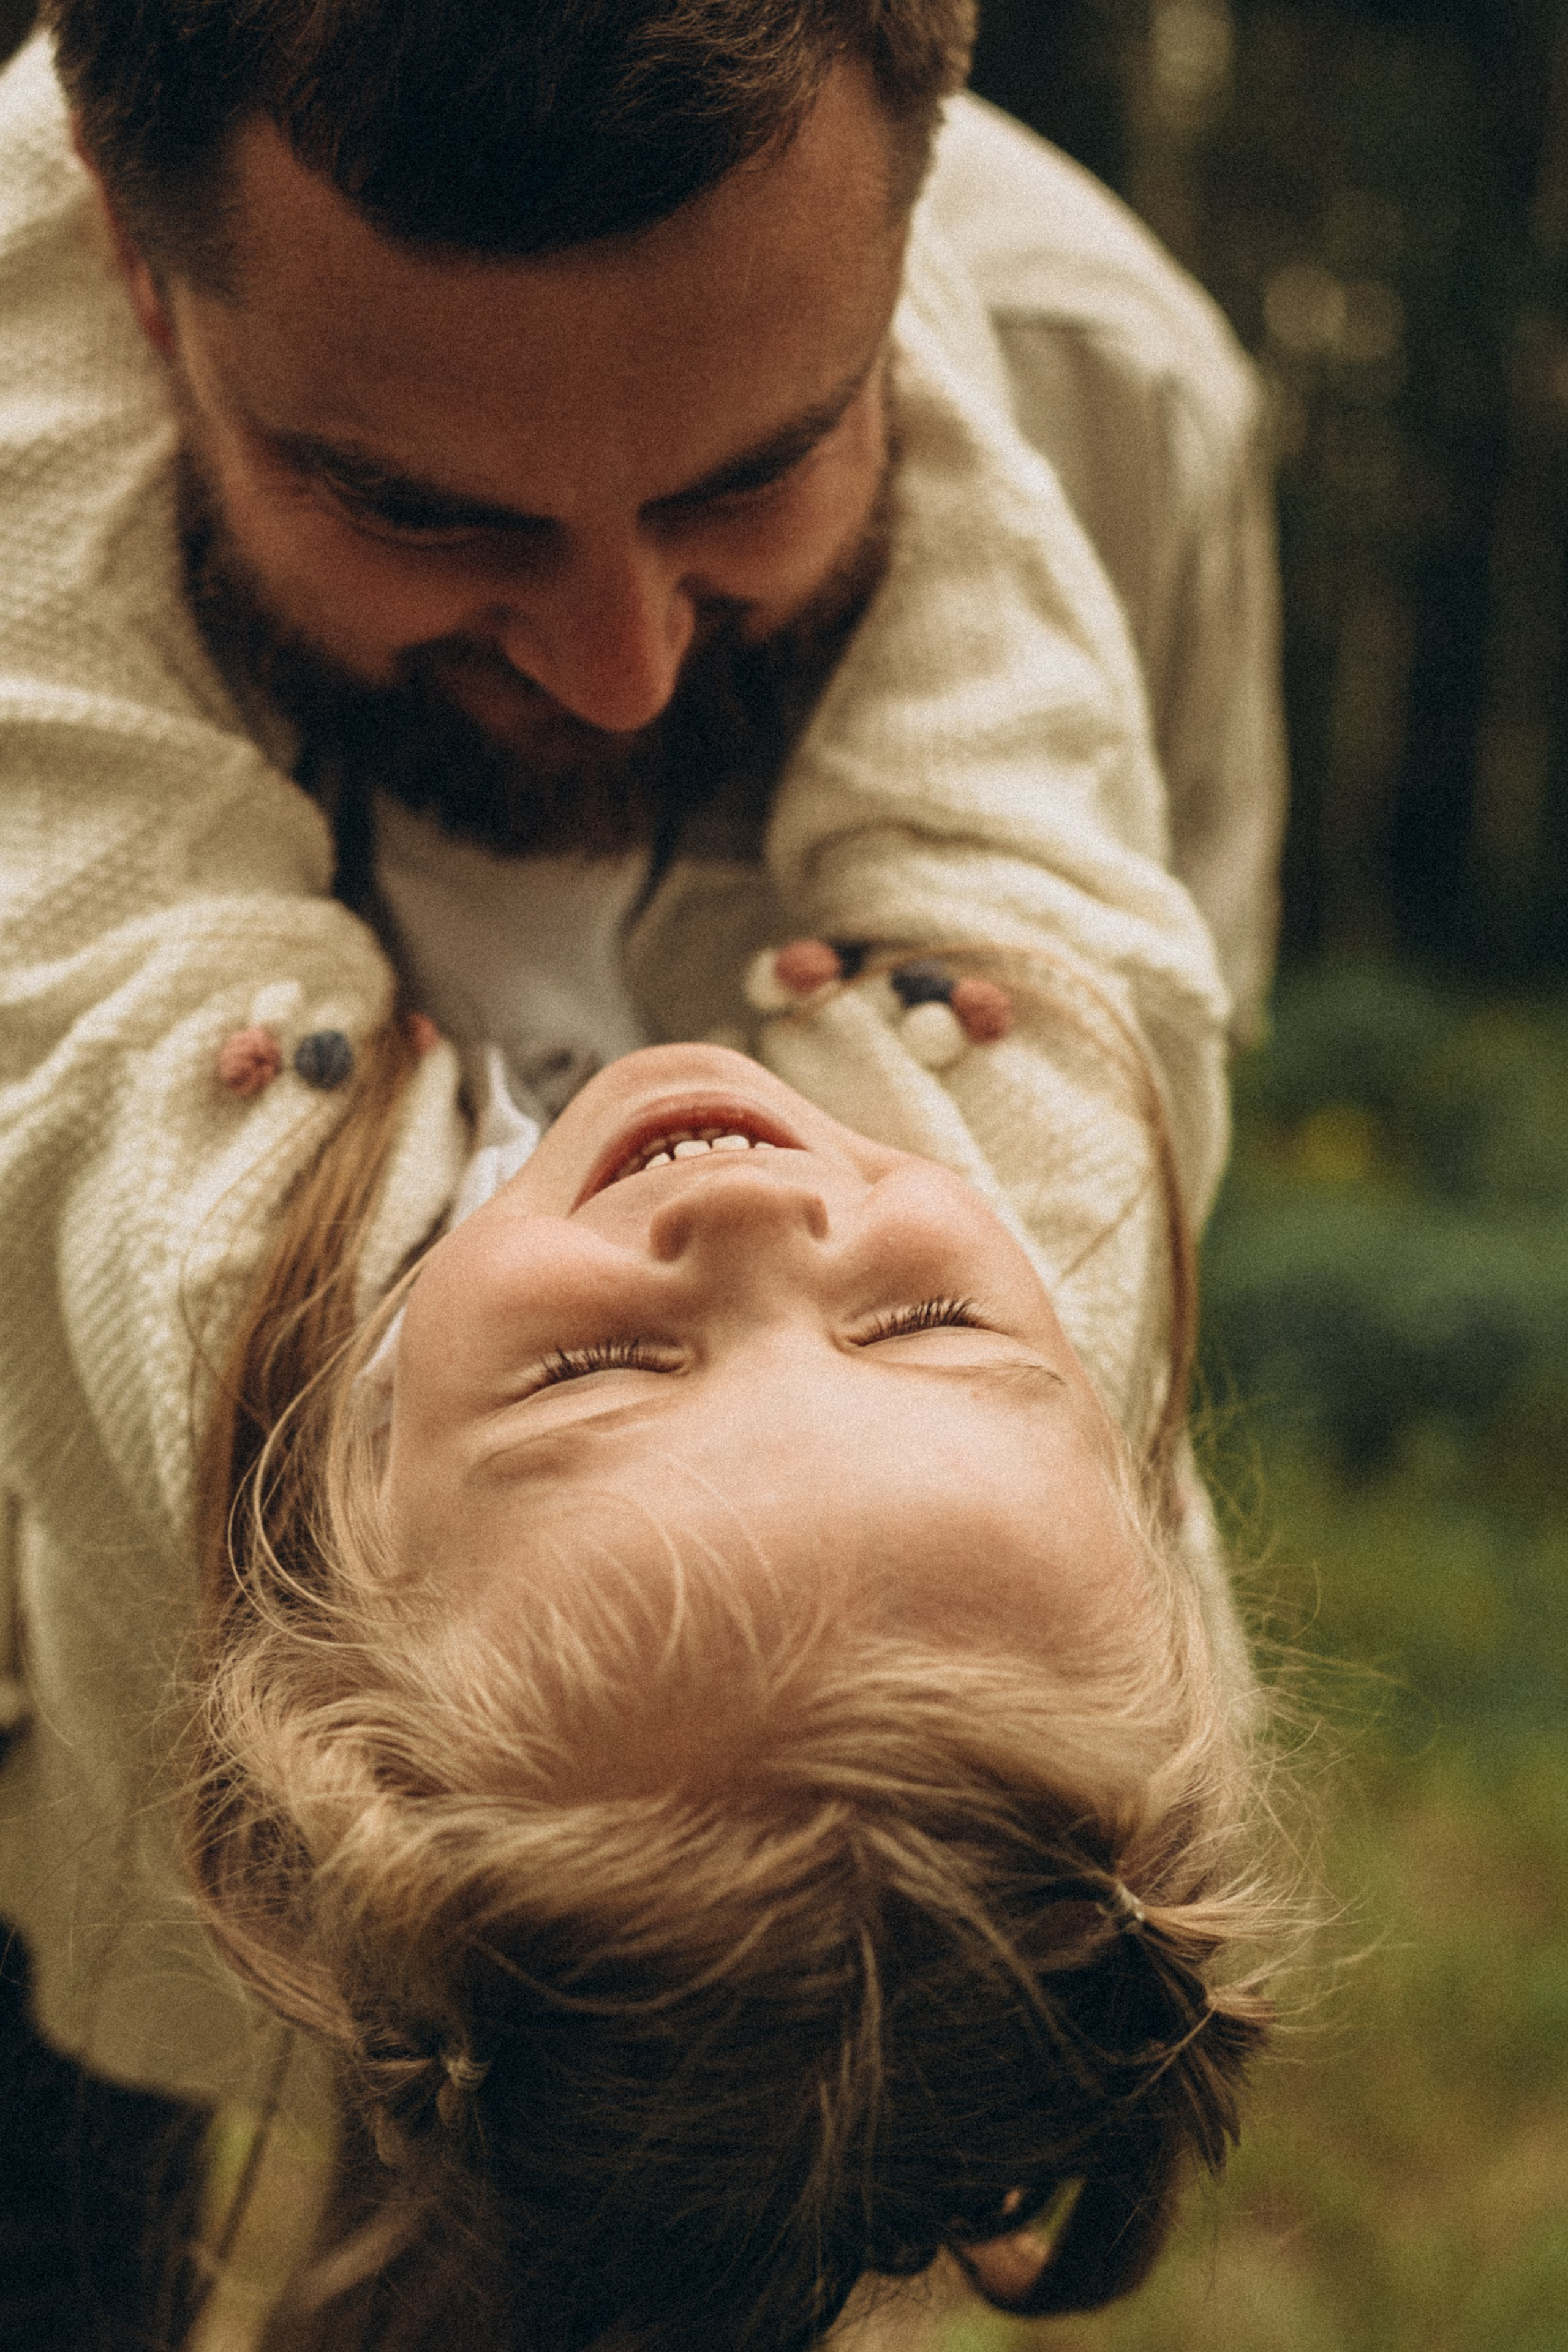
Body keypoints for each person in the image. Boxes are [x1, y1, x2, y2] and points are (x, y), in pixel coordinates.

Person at [0, 0, 1293, 2344]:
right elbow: (1045, 875)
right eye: (418, 502)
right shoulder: (1040, 1235)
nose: (619, 664)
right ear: (142, 267)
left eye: (761, 458)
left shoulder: (220, 1312)